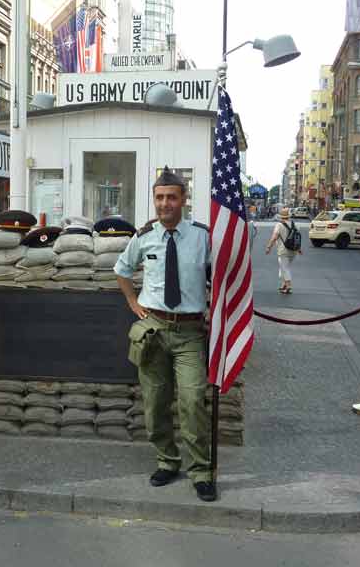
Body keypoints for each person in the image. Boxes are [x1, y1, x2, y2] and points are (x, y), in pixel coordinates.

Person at [114, 169, 216, 503]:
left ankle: (201, 471)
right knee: (155, 404)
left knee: (191, 401)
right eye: (159, 197)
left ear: (184, 200)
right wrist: (132, 301)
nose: (165, 203)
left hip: (189, 332)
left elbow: (222, 275)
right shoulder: (144, 236)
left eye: (171, 197)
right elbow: (122, 270)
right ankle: (167, 461)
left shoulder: (202, 236)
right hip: (153, 331)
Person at [265, 207, 302, 294]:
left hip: (283, 250)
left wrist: (268, 247)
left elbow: (274, 237)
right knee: (285, 267)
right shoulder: (294, 224)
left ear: (281, 217)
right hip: (293, 250)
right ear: (288, 216)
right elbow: (297, 238)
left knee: (284, 268)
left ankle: (289, 286)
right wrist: (299, 249)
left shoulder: (279, 225)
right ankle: (284, 285)